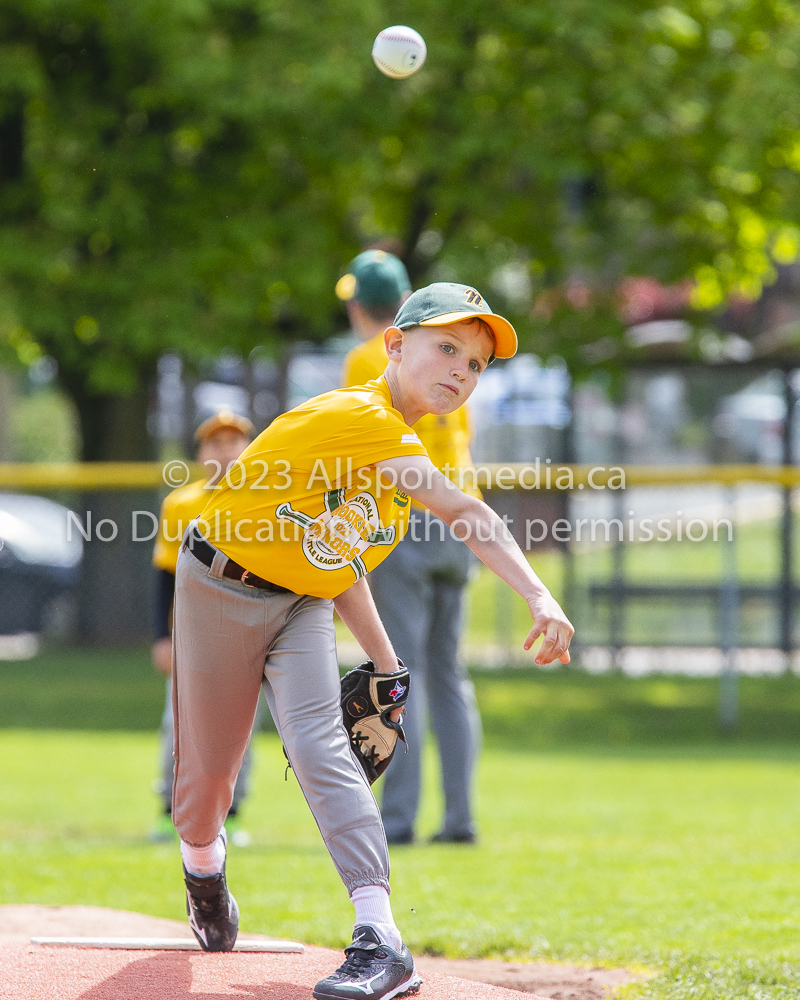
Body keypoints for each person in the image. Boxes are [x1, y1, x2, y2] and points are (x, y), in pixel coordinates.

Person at [171, 282, 573, 1000]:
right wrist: (540, 595)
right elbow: (462, 510)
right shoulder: (361, 414)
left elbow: (337, 562)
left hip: (299, 602)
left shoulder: (395, 454)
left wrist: (385, 660)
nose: (461, 370)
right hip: (215, 588)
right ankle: (203, 868)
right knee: (207, 783)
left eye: (477, 363)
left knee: (321, 745)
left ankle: (379, 938)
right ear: (394, 344)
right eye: (446, 347)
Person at [339, 251, 483, 845]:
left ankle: (397, 820)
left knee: (402, 670)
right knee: (449, 675)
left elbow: (362, 444)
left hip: (407, 521)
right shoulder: (454, 357)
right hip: (460, 520)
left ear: (357, 306)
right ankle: (460, 820)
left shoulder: (374, 355)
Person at [150, 411, 259, 845]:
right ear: (200, 453)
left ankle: (231, 813)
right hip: (192, 633)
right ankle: (168, 810)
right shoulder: (181, 503)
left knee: (239, 727)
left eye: (236, 441)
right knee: (178, 724)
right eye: (216, 443)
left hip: (248, 630)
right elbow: (163, 576)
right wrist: (162, 636)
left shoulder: (262, 500)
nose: (227, 451)